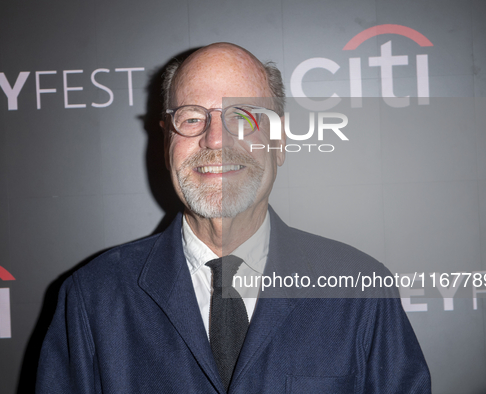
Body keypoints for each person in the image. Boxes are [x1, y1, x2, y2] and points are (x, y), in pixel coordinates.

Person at [36, 42, 431, 393]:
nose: (216, 139)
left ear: (279, 143)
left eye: (244, 116)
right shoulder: (93, 298)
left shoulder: (361, 292)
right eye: (192, 117)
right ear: (166, 140)